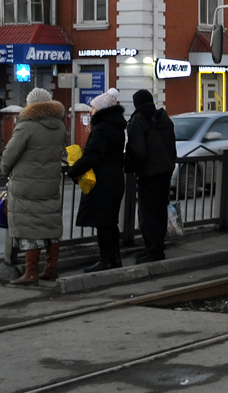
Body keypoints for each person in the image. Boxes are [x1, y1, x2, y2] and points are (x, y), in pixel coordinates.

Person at [1, 87, 66, 285]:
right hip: (51, 183)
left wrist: (4, 169)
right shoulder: (60, 126)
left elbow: (9, 155)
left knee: (30, 228)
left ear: (30, 105)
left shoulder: (26, 126)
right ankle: (51, 269)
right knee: (50, 225)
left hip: (26, 185)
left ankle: (30, 273)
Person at [69, 88, 127, 273]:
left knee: (103, 222)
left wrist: (73, 171)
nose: (91, 111)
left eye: (93, 108)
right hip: (114, 179)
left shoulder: (102, 129)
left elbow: (93, 156)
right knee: (110, 222)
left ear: (101, 110)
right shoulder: (116, 127)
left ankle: (106, 260)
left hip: (103, 181)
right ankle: (114, 259)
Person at [125, 89, 177, 263]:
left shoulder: (137, 122)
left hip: (149, 173)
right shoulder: (164, 119)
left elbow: (138, 151)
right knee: (160, 210)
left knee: (148, 214)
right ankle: (155, 247)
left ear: (136, 104)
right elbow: (172, 145)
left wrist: (132, 166)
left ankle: (154, 251)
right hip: (166, 170)